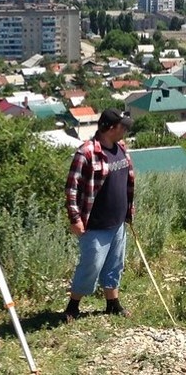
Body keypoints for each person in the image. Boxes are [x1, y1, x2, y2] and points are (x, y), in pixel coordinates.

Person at [64, 108, 135, 321]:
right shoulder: (86, 152)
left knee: (115, 264)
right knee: (91, 264)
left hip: (117, 221)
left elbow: (127, 181)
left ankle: (112, 303)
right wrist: (75, 218)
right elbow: (71, 188)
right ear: (111, 128)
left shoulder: (121, 148)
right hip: (94, 223)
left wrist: (129, 211)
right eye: (123, 126)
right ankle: (72, 306)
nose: (126, 129)